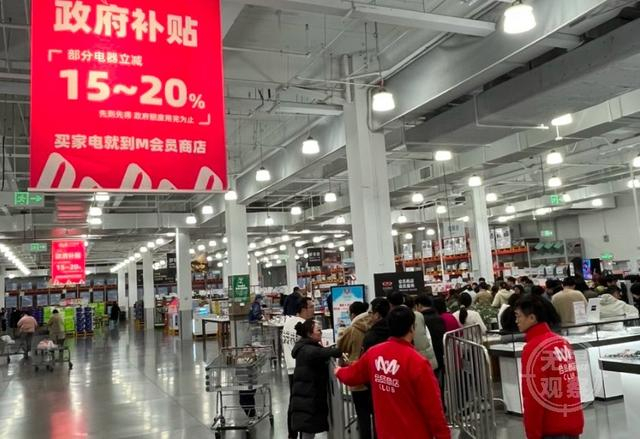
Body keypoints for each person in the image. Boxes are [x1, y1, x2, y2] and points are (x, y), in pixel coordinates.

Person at [335, 306, 450, 439]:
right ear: (412, 327)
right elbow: (433, 408)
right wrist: (443, 435)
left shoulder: (374, 353)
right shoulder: (417, 362)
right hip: (414, 433)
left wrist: (339, 371)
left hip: (385, 432)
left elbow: (353, 375)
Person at [515, 295, 584, 439]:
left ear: (532, 318)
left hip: (550, 428)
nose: (516, 321)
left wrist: (532, 434)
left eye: (518, 316)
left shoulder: (533, 348)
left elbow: (534, 396)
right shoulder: (562, 342)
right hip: (571, 423)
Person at [290, 319, 341, 438]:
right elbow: (320, 353)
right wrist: (339, 350)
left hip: (307, 394)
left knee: (308, 429)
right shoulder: (308, 349)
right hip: (308, 396)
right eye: (318, 330)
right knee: (308, 429)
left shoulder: (305, 346)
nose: (321, 332)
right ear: (309, 334)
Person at [337, 301, 372, 439]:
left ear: (352, 314)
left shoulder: (352, 330)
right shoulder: (375, 325)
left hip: (358, 375)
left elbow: (341, 346)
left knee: (362, 413)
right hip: (375, 375)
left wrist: (341, 332)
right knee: (377, 411)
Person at [282, 296, 315, 439]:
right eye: (311, 307)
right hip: (301, 369)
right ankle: (301, 432)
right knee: (303, 404)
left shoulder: (288, 322)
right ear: (303, 309)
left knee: (294, 402)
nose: (313, 309)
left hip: (291, 368)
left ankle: (292, 433)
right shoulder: (303, 325)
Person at [388, 292, 437, 369]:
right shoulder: (418, 315)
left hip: (413, 360)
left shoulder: (394, 318)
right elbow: (427, 336)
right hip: (427, 357)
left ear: (390, 304)